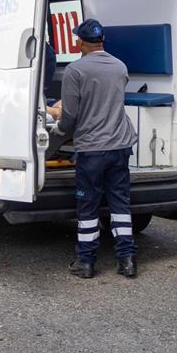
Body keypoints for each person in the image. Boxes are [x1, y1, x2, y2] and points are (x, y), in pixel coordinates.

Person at [53, 19, 139, 279]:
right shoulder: (120, 67)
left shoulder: (75, 70)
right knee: (120, 204)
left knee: (88, 207)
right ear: (102, 41)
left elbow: (70, 115)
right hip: (120, 146)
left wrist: (58, 130)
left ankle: (86, 261)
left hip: (92, 150)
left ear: (80, 42)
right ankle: (127, 260)